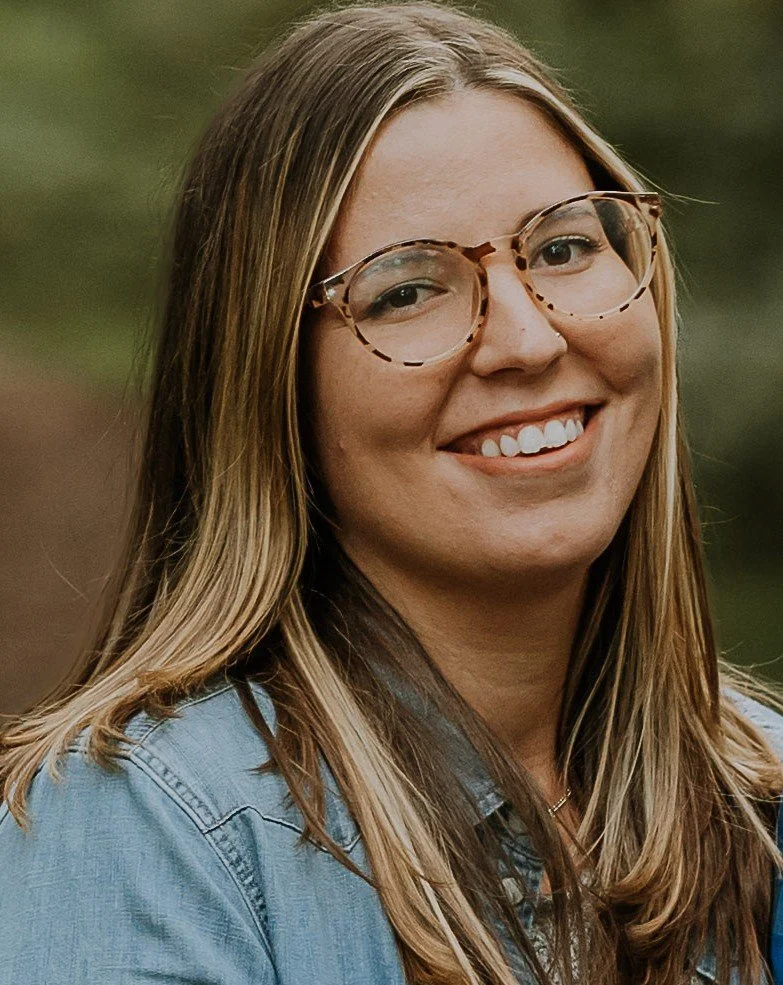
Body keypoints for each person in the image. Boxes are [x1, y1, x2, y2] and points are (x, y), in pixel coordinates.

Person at [1, 2, 783, 983]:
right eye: (406, 289)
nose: (530, 340)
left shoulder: (764, 797)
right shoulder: (154, 830)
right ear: (268, 387)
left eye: (563, 248)